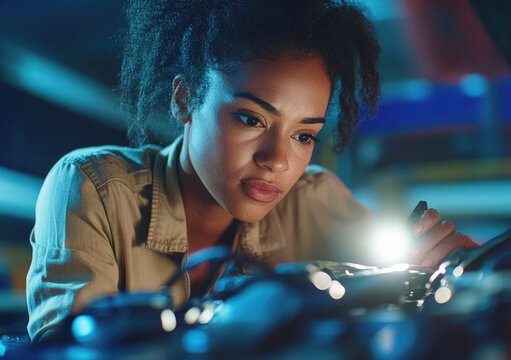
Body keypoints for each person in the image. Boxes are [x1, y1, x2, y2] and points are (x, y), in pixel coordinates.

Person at [26, 0, 477, 343]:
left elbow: (427, 286)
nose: (278, 160)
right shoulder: (91, 189)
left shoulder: (315, 198)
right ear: (184, 99)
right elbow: (68, 350)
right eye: (250, 119)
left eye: (304, 135)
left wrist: (449, 262)